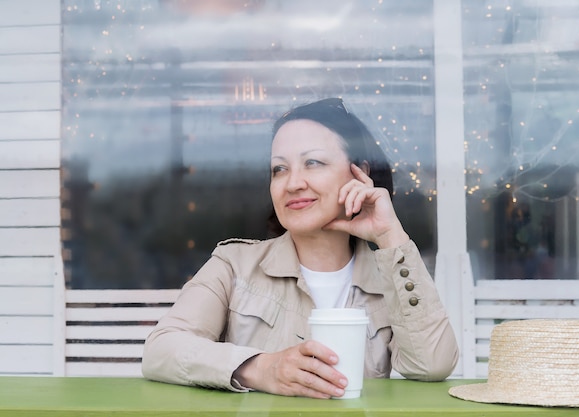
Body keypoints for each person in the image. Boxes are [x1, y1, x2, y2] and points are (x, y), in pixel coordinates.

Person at [142, 97, 459, 399]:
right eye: (279, 169)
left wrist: (390, 235)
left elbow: (432, 364)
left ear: (358, 171)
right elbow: (162, 349)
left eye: (313, 162)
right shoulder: (233, 264)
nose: (292, 183)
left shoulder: (388, 276)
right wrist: (261, 368)